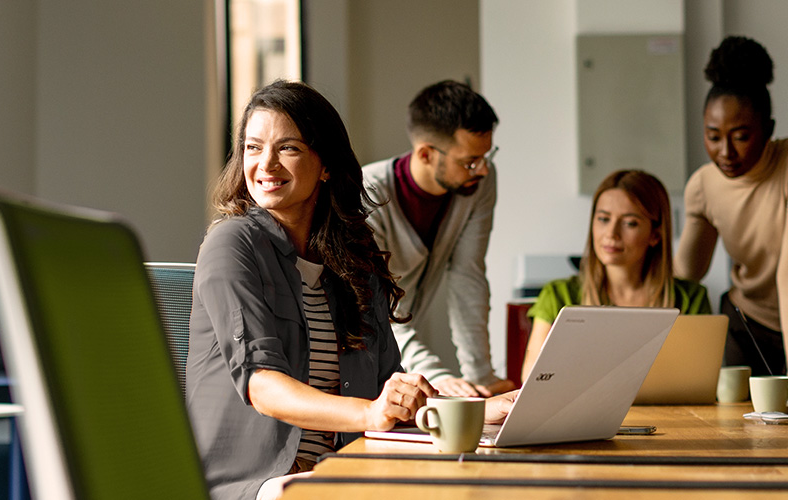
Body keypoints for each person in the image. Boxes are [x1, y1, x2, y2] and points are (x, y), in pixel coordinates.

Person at [185, 80, 516, 500]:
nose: (265, 164)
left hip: (337, 471)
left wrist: (483, 410)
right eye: (253, 148)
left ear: (325, 165)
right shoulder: (231, 244)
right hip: (250, 485)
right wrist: (371, 413)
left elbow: (388, 390)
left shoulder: (355, 258)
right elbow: (261, 383)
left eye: (288, 148)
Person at [362, 80, 515, 398]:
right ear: (427, 154)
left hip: (400, 355)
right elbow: (376, 307)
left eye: (487, 156)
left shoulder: (478, 185)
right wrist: (433, 375)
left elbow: (467, 276)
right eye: (470, 161)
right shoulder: (368, 195)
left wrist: (480, 379)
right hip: (359, 352)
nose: (484, 169)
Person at [522, 170, 711, 383]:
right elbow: (532, 381)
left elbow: (699, 382)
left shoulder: (692, 298)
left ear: (655, 235)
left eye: (630, 223)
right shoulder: (558, 295)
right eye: (603, 219)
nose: (611, 234)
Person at [675, 36, 788, 376]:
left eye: (740, 136)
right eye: (713, 136)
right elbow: (687, 272)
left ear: (768, 129)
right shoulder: (704, 185)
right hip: (747, 323)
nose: (725, 152)